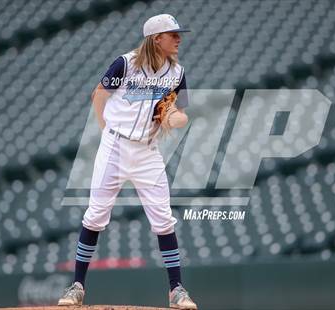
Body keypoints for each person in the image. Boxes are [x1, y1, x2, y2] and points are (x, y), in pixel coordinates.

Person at [57, 14, 197, 310]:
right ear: (156, 39)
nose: (179, 38)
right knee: (95, 215)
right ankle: (77, 286)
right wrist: (105, 129)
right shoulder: (125, 63)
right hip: (116, 146)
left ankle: (177, 290)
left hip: (147, 151)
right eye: (173, 34)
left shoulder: (177, 72)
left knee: (163, 219)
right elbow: (99, 95)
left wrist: (174, 117)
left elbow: (183, 113)